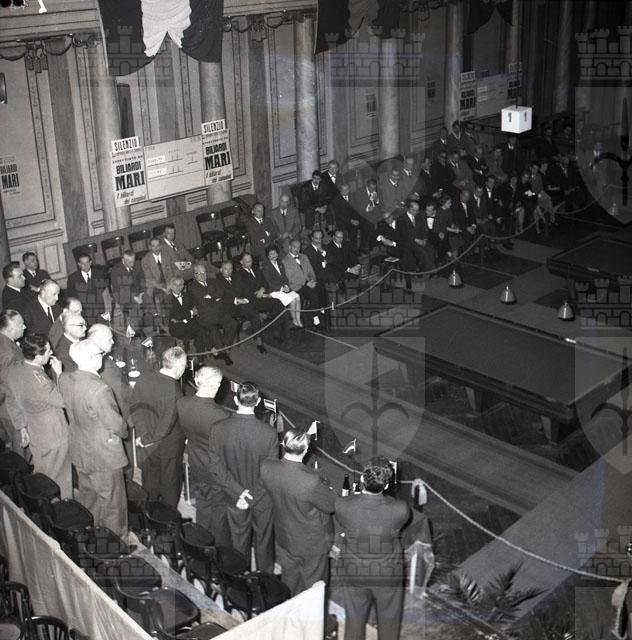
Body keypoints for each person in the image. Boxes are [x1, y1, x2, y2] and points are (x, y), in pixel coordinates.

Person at [333, 457, 410, 640]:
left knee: (354, 622)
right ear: (386, 485)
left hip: (354, 572)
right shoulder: (401, 509)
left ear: (361, 479)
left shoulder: (342, 505)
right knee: (389, 623)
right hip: (388, 574)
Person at [59, 339, 128, 536]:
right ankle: (116, 544)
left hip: (79, 449)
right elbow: (116, 424)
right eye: (100, 354)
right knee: (113, 504)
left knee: (89, 498)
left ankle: (90, 536)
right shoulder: (100, 389)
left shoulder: (64, 379)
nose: (102, 357)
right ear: (91, 359)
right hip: (103, 455)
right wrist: (125, 432)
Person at [208, 382, 279, 572]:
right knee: (264, 544)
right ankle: (265, 582)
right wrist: (251, 496)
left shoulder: (218, 428)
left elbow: (216, 467)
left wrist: (239, 493)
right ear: (258, 402)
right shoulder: (270, 434)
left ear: (235, 399)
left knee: (238, 543)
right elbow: (270, 472)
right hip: (262, 498)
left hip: (233, 496)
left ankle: (240, 579)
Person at [260, 428, 335, 595]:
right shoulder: (311, 480)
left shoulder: (267, 467)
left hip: (285, 537)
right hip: (312, 543)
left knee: (290, 581)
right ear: (306, 449)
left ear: (283, 444)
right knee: (314, 591)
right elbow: (331, 506)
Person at [6, 334, 71, 497]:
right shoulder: (39, 380)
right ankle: (60, 506)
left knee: (42, 471)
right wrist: (59, 374)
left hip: (34, 429)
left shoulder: (13, 370)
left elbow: (11, 400)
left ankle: (40, 504)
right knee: (60, 478)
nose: (51, 353)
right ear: (37, 356)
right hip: (54, 434)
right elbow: (63, 400)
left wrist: (21, 427)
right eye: (48, 351)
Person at [177, 366, 231, 541]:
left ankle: (201, 543)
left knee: (202, 507)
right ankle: (218, 549)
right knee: (219, 512)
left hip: (196, 464)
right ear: (216, 385)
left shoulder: (182, 404)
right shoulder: (221, 416)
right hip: (217, 471)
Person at [131, 345, 186, 507]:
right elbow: (165, 427)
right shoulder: (175, 391)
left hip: (146, 442)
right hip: (167, 446)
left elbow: (135, 407)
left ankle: (149, 512)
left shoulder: (143, 378)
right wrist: (147, 439)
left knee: (149, 480)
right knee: (170, 484)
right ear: (180, 367)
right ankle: (168, 516)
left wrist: (142, 435)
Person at [87, 324, 135, 478]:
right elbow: (120, 393)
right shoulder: (104, 365)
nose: (113, 342)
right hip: (119, 415)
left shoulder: (92, 357)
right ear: (99, 341)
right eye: (110, 339)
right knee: (125, 458)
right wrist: (133, 389)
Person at [232, 253, 289, 347]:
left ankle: (277, 331)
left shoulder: (256, 270)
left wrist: (262, 290)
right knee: (254, 314)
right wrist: (258, 294)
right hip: (248, 302)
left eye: (250, 261)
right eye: (247, 261)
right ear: (241, 262)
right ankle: (259, 340)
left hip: (260, 298)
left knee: (277, 303)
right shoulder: (238, 275)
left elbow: (265, 283)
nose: (249, 263)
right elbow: (241, 293)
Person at [214, 260, 267, 354]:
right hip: (227, 307)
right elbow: (222, 297)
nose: (228, 271)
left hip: (240, 306)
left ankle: (259, 340)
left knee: (254, 313)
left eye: (230, 269)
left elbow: (244, 290)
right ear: (221, 270)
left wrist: (245, 299)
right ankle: (224, 348)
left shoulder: (235, 278)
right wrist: (236, 300)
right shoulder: (217, 281)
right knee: (232, 322)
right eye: (226, 269)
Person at [187, 264, 235, 364]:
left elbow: (221, 292)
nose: (202, 275)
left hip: (219, 312)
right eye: (199, 273)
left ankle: (225, 346)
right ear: (194, 275)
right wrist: (216, 299)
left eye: (204, 272)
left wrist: (211, 297)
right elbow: (203, 303)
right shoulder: (192, 288)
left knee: (233, 323)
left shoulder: (212, 281)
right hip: (206, 316)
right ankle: (223, 353)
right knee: (214, 331)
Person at [282, 239, 328, 328]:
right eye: (294, 247)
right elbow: (290, 278)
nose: (297, 249)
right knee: (312, 292)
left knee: (321, 288)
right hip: (296, 286)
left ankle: (319, 309)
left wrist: (312, 280)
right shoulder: (285, 261)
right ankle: (316, 319)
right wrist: (306, 283)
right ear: (289, 247)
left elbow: (311, 272)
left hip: (308, 282)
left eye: (298, 247)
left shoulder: (304, 257)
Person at [0, 311, 26, 453]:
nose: (25, 327)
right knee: (20, 452)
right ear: (10, 329)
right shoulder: (8, 353)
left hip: (6, 408)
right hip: (11, 411)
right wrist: (20, 424)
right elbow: (9, 388)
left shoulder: (5, 342)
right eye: (21, 325)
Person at [260, 245, 303, 328]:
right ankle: (294, 321)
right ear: (268, 256)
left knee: (297, 297)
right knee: (292, 300)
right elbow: (268, 282)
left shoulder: (280, 263)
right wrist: (281, 288)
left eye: (275, 253)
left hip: (283, 288)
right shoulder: (266, 267)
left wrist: (286, 286)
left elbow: (284, 277)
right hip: (274, 290)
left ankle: (298, 319)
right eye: (271, 254)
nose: (273, 255)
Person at [65, 253, 109, 327]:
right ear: (79, 264)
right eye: (82, 263)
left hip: (99, 310)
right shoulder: (72, 278)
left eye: (87, 262)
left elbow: (105, 293)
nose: (85, 265)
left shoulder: (99, 274)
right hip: (84, 313)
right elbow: (71, 298)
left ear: (90, 262)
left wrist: (107, 310)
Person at [141, 237, 173, 331]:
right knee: (161, 296)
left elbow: (171, 272)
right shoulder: (145, 260)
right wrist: (163, 288)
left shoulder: (166, 255)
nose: (156, 248)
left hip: (168, 282)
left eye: (158, 246)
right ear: (150, 247)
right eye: (153, 246)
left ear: (161, 246)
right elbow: (149, 279)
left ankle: (173, 319)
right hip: (155, 285)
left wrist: (170, 284)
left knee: (175, 292)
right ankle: (163, 323)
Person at [109, 250, 144, 332]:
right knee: (135, 307)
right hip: (123, 295)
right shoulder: (116, 271)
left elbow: (142, 280)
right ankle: (136, 331)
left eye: (133, 261)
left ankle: (152, 326)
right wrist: (134, 298)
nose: (132, 264)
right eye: (129, 262)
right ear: (123, 260)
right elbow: (119, 289)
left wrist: (141, 294)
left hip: (138, 292)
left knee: (149, 298)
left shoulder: (137, 264)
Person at [269, 193, 302, 257]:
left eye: (286, 202)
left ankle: (291, 259)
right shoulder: (273, 212)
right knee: (286, 243)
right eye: (282, 201)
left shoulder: (294, 211)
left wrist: (290, 234)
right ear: (279, 201)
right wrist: (280, 235)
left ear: (289, 203)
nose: (283, 204)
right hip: (280, 237)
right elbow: (273, 227)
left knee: (291, 244)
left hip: (293, 236)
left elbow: (298, 226)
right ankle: (291, 260)